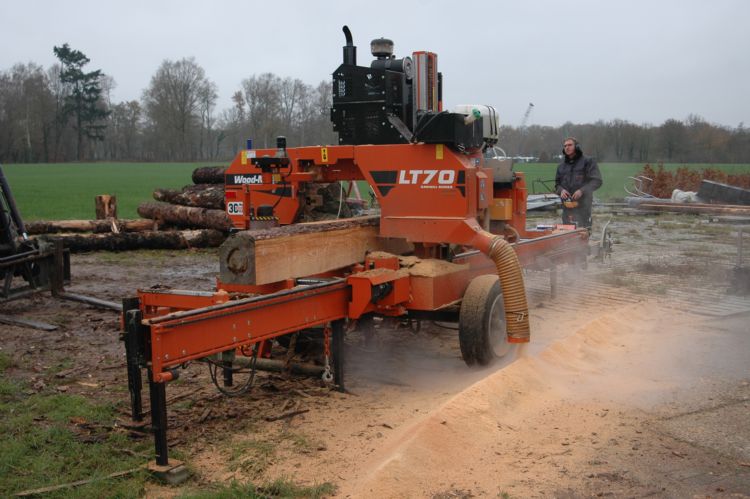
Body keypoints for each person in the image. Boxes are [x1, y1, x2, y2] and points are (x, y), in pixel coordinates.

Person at [555, 137, 602, 230]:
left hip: (583, 206)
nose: (567, 148)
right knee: (567, 233)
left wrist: (582, 191)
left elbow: (597, 181)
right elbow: (557, 184)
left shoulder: (588, 162)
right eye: (565, 146)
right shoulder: (561, 166)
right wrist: (561, 190)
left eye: (570, 145)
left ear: (577, 147)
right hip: (567, 207)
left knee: (583, 233)